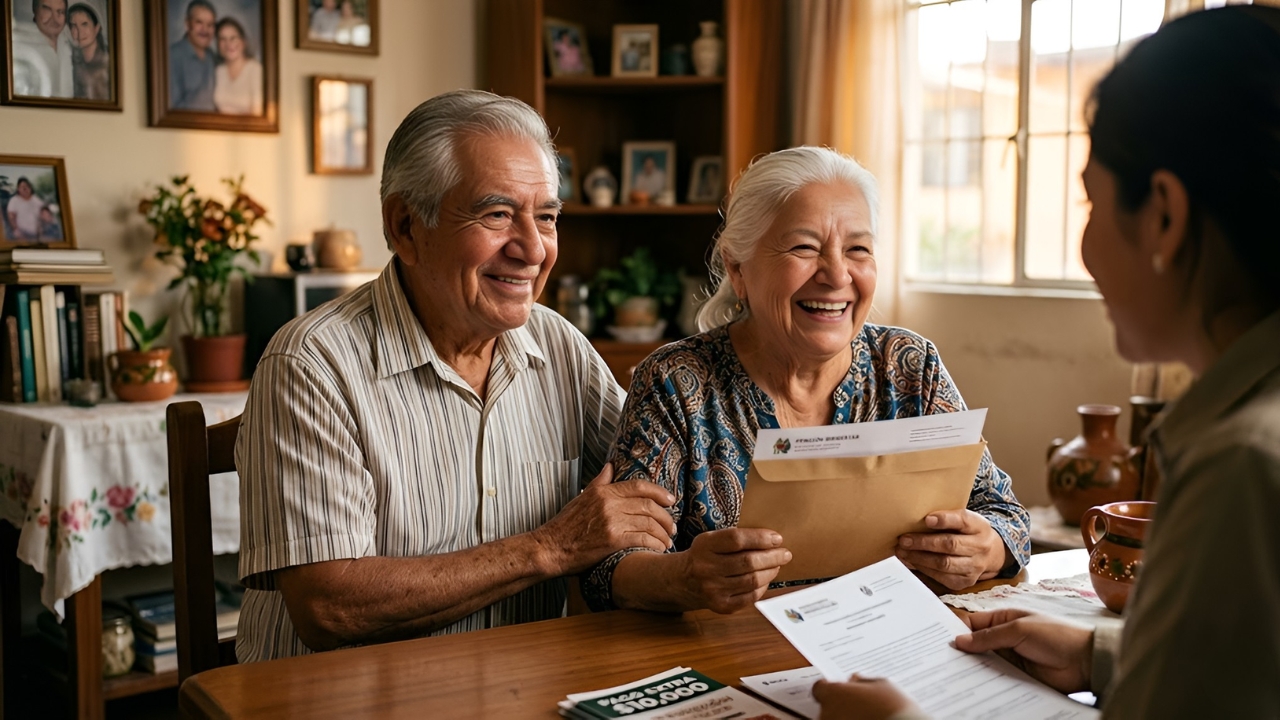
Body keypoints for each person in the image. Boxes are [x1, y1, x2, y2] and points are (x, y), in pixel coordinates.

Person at [813, 7, 1280, 718]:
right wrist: (1101, 657)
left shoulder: (1243, 465)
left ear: (1165, 216)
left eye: (1089, 200)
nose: (1085, 245)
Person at [235, 89, 677, 663]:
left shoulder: (558, 344)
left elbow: (659, 486)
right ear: (405, 227)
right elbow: (329, 607)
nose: (533, 249)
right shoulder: (310, 365)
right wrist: (549, 549)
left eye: (545, 217)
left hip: (522, 692)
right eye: (496, 214)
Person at [581, 146, 1030, 614]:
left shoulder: (908, 365)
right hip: (733, 655)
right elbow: (609, 567)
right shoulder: (677, 381)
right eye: (804, 248)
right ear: (738, 269)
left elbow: (1007, 515)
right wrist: (685, 578)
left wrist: (987, 548)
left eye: (858, 249)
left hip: (890, 647)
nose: (837, 275)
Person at [10, 0, 74, 98]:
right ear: (35, 11)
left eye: (60, 12)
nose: (54, 18)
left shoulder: (69, 48)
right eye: (47, 10)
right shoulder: (18, 47)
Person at [169, 0, 217, 112]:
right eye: (199, 22)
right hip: (181, 127)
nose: (205, 29)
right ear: (187, 24)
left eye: (210, 24)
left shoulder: (213, 57)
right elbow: (171, 107)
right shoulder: (173, 56)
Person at [213, 17, 262, 115]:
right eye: (223, 39)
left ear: (243, 42)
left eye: (233, 38)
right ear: (218, 44)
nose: (228, 44)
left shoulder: (255, 69)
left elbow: (258, 114)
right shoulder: (219, 71)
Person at [67, 2, 109, 101]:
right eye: (73, 25)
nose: (79, 31)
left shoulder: (108, 63)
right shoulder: (71, 63)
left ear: (96, 28)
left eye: (84, 24)